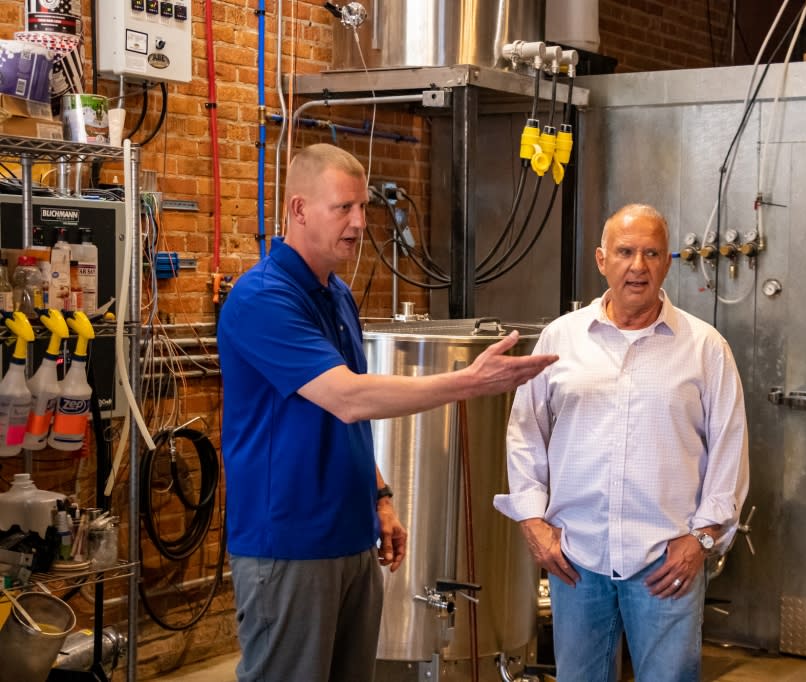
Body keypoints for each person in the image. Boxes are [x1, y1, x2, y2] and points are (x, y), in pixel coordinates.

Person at [217, 143, 558, 682]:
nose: (358, 223)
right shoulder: (262, 298)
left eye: (363, 208)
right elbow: (349, 398)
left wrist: (378, 497)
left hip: (350, 536)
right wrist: (468, 383)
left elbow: (345, 420)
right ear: (299, 209)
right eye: (343, 209)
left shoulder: (338, 295)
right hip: (289, 544)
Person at [494, 203, 749, 682]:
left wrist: (701, 539)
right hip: (577, 558)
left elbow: (730, 450)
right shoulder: (560, 338)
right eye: (625, 252)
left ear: (668, 262)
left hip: (666, 561)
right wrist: (532, 521)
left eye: (651, 253)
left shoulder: (704, 347)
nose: (638, 266)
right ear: (601, 259)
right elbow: (526, 434)